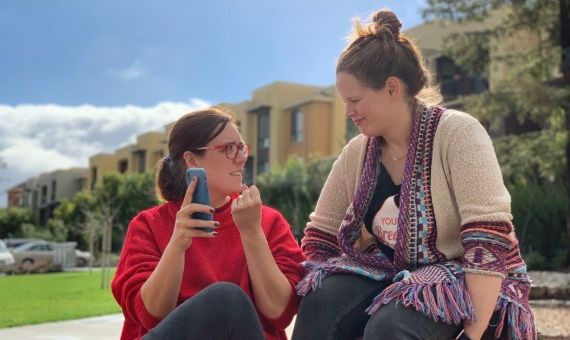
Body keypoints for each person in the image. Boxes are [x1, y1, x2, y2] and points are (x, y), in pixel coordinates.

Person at [292, 9, 535, 340]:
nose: (349, 112)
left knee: (391, 326)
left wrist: (473, 335)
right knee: (321, 302)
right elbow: (320, 238)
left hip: (464, 280)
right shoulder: (357, 153)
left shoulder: (458, 133)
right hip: (390, 275)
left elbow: (487, 239)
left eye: (355, 100)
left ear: (391, 88)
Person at [112, 107, 304, 340]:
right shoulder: (148, 225)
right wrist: (177, 244)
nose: (242, 157)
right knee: (225, 299)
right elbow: (150, 316)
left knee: (227, 300)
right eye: (229, 149)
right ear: (192, 160)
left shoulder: (267, 221)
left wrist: (252, 232)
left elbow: (279, 313)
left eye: (241, 147)